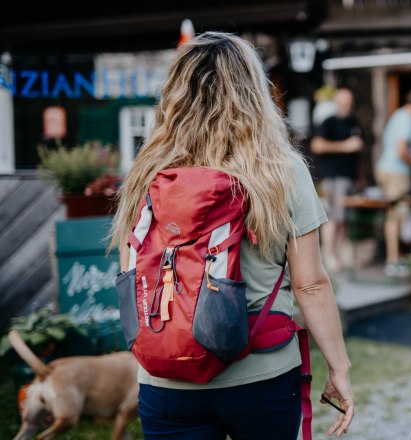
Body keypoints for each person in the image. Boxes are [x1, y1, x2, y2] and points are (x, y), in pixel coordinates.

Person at [109, 32, 354, 439]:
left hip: (167, 379)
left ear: (174, 93)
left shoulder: (147, 170)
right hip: (261, 374)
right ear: (252, 92)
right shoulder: (281, 170)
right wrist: (339, 369)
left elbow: (130, 274)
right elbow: (310, 284)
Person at [310, 87, 363, 274]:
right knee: (332, 217)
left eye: (348, 101)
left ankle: (340, 256)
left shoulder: (353, 121)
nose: (346, 104)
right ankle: (328, 256)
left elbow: (357, 153)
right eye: (342, 101)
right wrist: (345, 146)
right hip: (332, 176)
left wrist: (358, 177)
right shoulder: (328, 122)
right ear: (335, 102)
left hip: (348, 177)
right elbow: (317, 145)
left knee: (343, 218)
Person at [376, 89, 411, 277]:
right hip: (396, 172)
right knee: (396, 214)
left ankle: (398, 257)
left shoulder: (400, 116)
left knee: (400, 214)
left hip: (391, 170)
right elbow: (401, 149)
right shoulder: (406, 119)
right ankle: (393, 260)